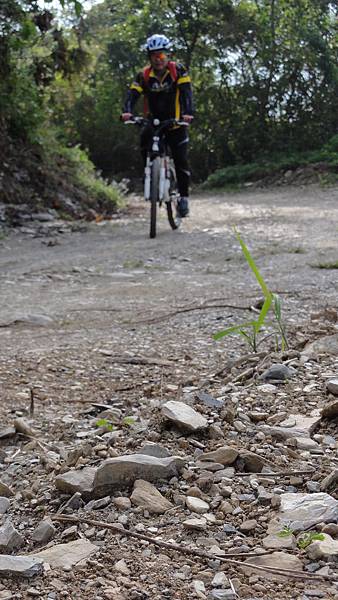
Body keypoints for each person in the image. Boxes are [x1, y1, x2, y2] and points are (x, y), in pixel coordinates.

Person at [121, 34, 194, 218]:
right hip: (153, 123)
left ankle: (183, 198)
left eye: (161, 56)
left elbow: (186, 94)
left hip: (175, 124)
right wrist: (127, 112)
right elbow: (132, 95)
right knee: (145, 146)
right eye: (154, 56)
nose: (158, 59)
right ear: (149, 57)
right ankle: (150, 176)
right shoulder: (144, 75)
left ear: (167, 56)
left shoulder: (178, 71)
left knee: (181, 160)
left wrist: (188, 113)